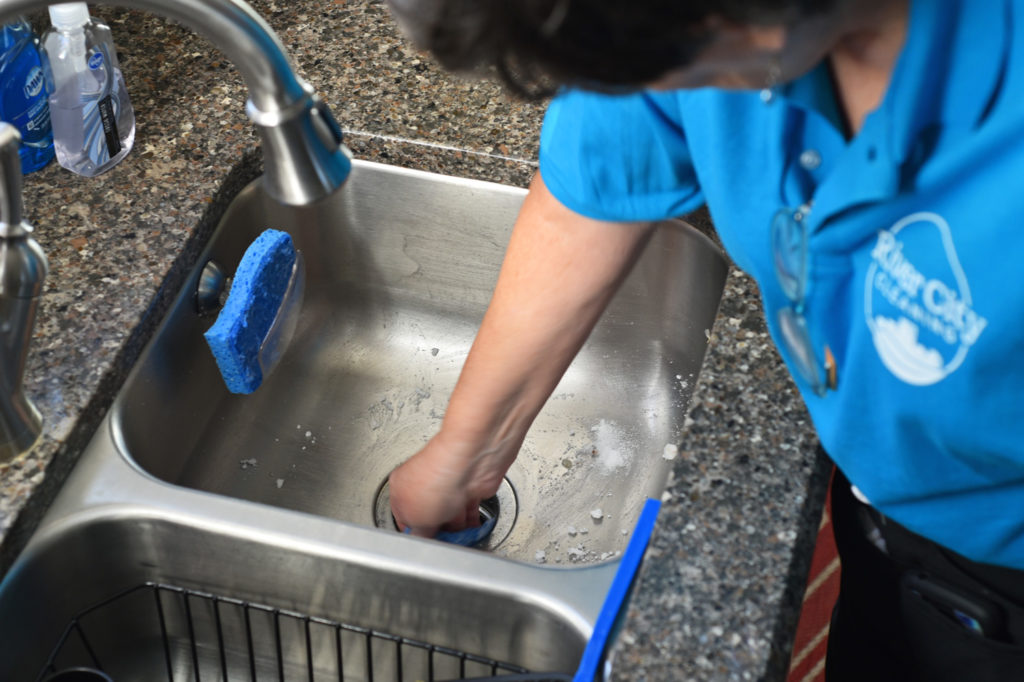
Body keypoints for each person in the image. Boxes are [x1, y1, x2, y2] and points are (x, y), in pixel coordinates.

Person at [383, 0, 1024, 679]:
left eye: (664, 68)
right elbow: (594, 187)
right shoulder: (668, 29)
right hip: (899, 536)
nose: (656, 95)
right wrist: (467, 454)